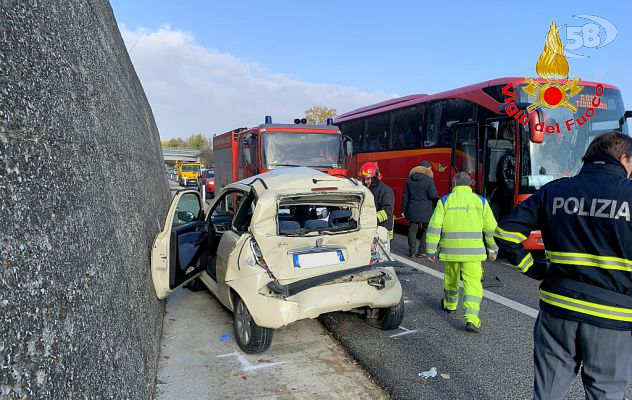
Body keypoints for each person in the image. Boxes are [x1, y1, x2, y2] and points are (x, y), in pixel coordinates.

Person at [494, 132, 632, 399]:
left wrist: (533, 268)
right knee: (606, 393)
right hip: (612, 317)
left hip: (557, 309)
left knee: (548, 392)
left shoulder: (556, 190)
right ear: (623, 158)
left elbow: (506, 234)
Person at [426, 172, 498, 333]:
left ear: (454, 184)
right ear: (470, 184)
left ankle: (450, 304)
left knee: (451, 279)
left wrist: (431, 251)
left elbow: (434, 227)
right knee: (472, 284)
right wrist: (493, 249)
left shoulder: (445, 201)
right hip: (473, 253)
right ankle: (471, 318)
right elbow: (491, 229)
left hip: (450, 251)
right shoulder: (481, 201)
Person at [401, 160, 439, 257]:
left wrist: (403, 210)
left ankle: (412, 252)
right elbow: (433, 195)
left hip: (412, 209)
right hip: (426, 210)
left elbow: (405, 196)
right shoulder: (429, 181)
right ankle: (421, 251)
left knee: (412, 229)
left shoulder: (409, 180)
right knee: (426, 229)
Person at [359, 162, 395, 241]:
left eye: (368, 179)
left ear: (375, 177)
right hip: (369, 229)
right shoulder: (366, 189)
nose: (365, 182)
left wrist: (371, 219)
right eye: (363, 179)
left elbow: (387, 211)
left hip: (382, 231)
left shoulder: (385, 191)